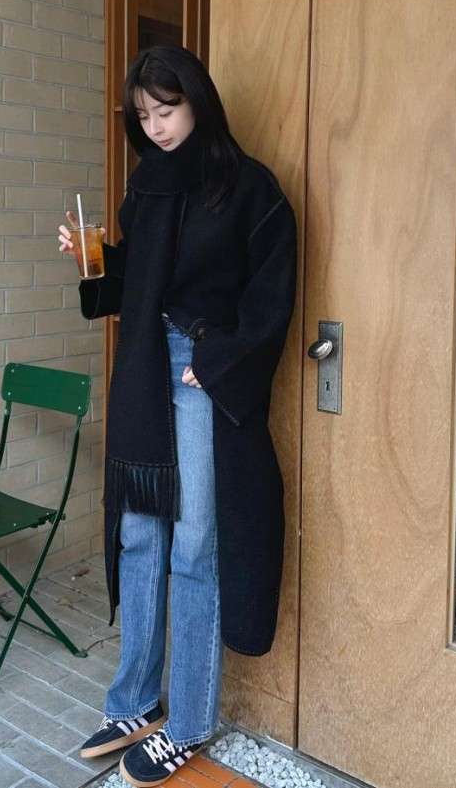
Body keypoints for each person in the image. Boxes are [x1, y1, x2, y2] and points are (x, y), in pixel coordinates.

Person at [58, 45, 297, 787]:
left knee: (194, 545)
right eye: (145, 115)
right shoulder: (148, 185)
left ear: (197, 99)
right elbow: (135, 281)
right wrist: (94, 259)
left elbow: (270, 297)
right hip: (143, 365)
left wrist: (216, 361)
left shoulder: (249, 188)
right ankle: (134, 700)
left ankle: (189, 719)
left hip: (200, 371)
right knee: (140, 533)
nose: (156, 126)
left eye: (167, 109)